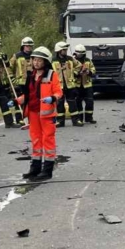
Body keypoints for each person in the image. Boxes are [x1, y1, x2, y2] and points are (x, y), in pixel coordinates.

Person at [15, 46, 62, 181]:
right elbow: (28, 95)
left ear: (45, 62)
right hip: (33, 113)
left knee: (48, 140)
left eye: (39, 60)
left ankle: (47, 170)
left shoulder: (51, 75)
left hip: (47, 114)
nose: (36, 62)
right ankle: (34, 169)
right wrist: (16, 101)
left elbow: (59, 92)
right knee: (36, 140)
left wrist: (52, 98)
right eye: (34, 60)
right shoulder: (31, 75)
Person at [0, 39, 20, 129]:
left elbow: (7, 66)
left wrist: (5, 59)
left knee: (4, 103)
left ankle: (9, 122)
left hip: (1, 83)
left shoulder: (0, 55)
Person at [51, 41, 83, 127]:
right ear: (58, 50)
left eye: (65, 49)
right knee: (59, 104)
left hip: (70, 85)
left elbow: (79, 65)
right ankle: (60, 121)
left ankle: (76, 121)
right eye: (63, 50)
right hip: (59, 86)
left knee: (72, 103)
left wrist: (75, 73)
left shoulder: (70, 59)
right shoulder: (53, 61)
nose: (65, 51)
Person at [9, 37, 33, 125]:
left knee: (30, 99)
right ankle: (19, 118)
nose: (29, 47)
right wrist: (12, 78)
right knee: (19, 100)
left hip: (32, 82)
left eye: (30, 46)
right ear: (23, 46)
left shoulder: (34, 56)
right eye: (27, 46)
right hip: (21, 82)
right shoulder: (17, 56)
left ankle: (29, 117)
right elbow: (9, 67)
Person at [74, 44, 97, 124]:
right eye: (78, 53)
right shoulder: (72, 61)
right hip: (77, 85)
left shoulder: (88, 60)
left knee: (90, 102)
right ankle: (79, 119)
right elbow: (70, 72)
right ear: (75, 53)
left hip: (87, 85)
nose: (80, 54)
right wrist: (78, 73)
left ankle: (89, 118)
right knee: (78, 102)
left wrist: (88, 72)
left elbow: (93, 70)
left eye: (82, 53)